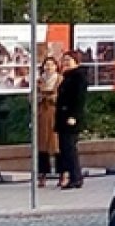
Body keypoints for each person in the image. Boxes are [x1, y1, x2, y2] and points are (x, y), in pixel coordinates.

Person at [54, 52, 88, 190]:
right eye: (64, 60)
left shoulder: (78, 77)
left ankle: (76, 178)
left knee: (70, 149)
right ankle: (72, 177)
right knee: (65, 149)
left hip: (70, 118)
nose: (66, 62)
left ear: (76, 61)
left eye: (69, 60)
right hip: (63, 118)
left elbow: (79, 99)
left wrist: (74, 116)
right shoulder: (67, 76)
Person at [36, 56, 61, 188]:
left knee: (57, 146)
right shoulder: (39, 81)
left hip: (56, 114)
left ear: (56, 66)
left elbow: (63, 97)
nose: (49, 67)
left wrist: (53, 97)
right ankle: (42, 174)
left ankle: (62, 174)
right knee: (42, 146)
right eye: (46, 65)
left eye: (51, 64)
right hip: (42, 115)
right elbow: (31, 97)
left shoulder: (60, 80)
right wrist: (39, 98)